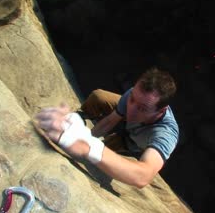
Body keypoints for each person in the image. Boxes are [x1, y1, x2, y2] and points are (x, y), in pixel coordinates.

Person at [36, 68, 179, 188]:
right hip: (129, 126)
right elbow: (110, 121)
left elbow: (142, 177)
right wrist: (84, 137)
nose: (131, 110)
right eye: (132, 99)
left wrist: (89, 147)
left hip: (133, 143)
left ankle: (117, 143)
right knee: (99, 97)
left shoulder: (166, 134)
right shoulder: (135, 96)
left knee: (105, 157)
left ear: (161, 111)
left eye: (142, 108)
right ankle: (81, 115)